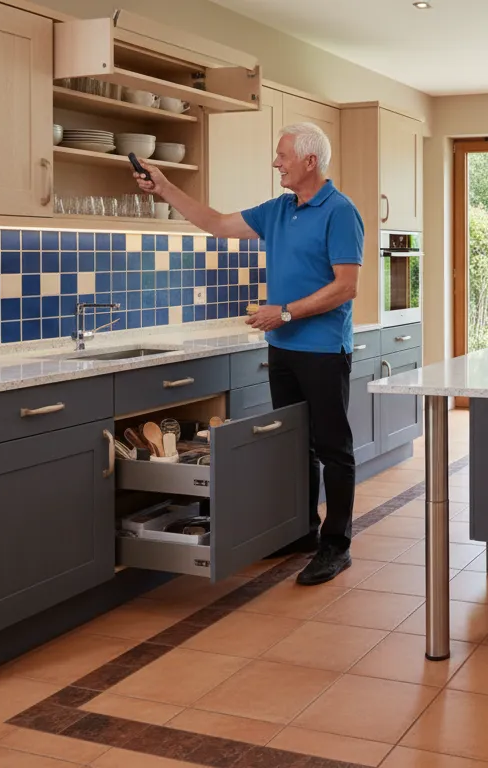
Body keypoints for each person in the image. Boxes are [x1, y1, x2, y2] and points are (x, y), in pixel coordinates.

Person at [132, 123, 364, 586]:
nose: (276, 162)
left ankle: (335, 546)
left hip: (321, 349)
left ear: (310, 162)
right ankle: (302, 531)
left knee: (333, 449)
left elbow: (346, 286)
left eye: (283, 155)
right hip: (283, 349)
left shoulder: (340, 211)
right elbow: (217, 224)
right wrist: (166, 187)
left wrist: (286, 313)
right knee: (295, 446)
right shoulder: (278, 210)